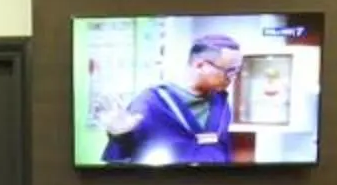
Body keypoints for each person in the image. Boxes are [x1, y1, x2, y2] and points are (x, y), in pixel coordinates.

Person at [99, 33, 240, 165]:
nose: (233, 77)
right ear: (200, 65)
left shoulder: (221, 103)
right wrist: (120, 136)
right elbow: (121, 160)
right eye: (228, 71)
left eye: (236, 71)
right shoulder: (150, 103)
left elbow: (223, 148)